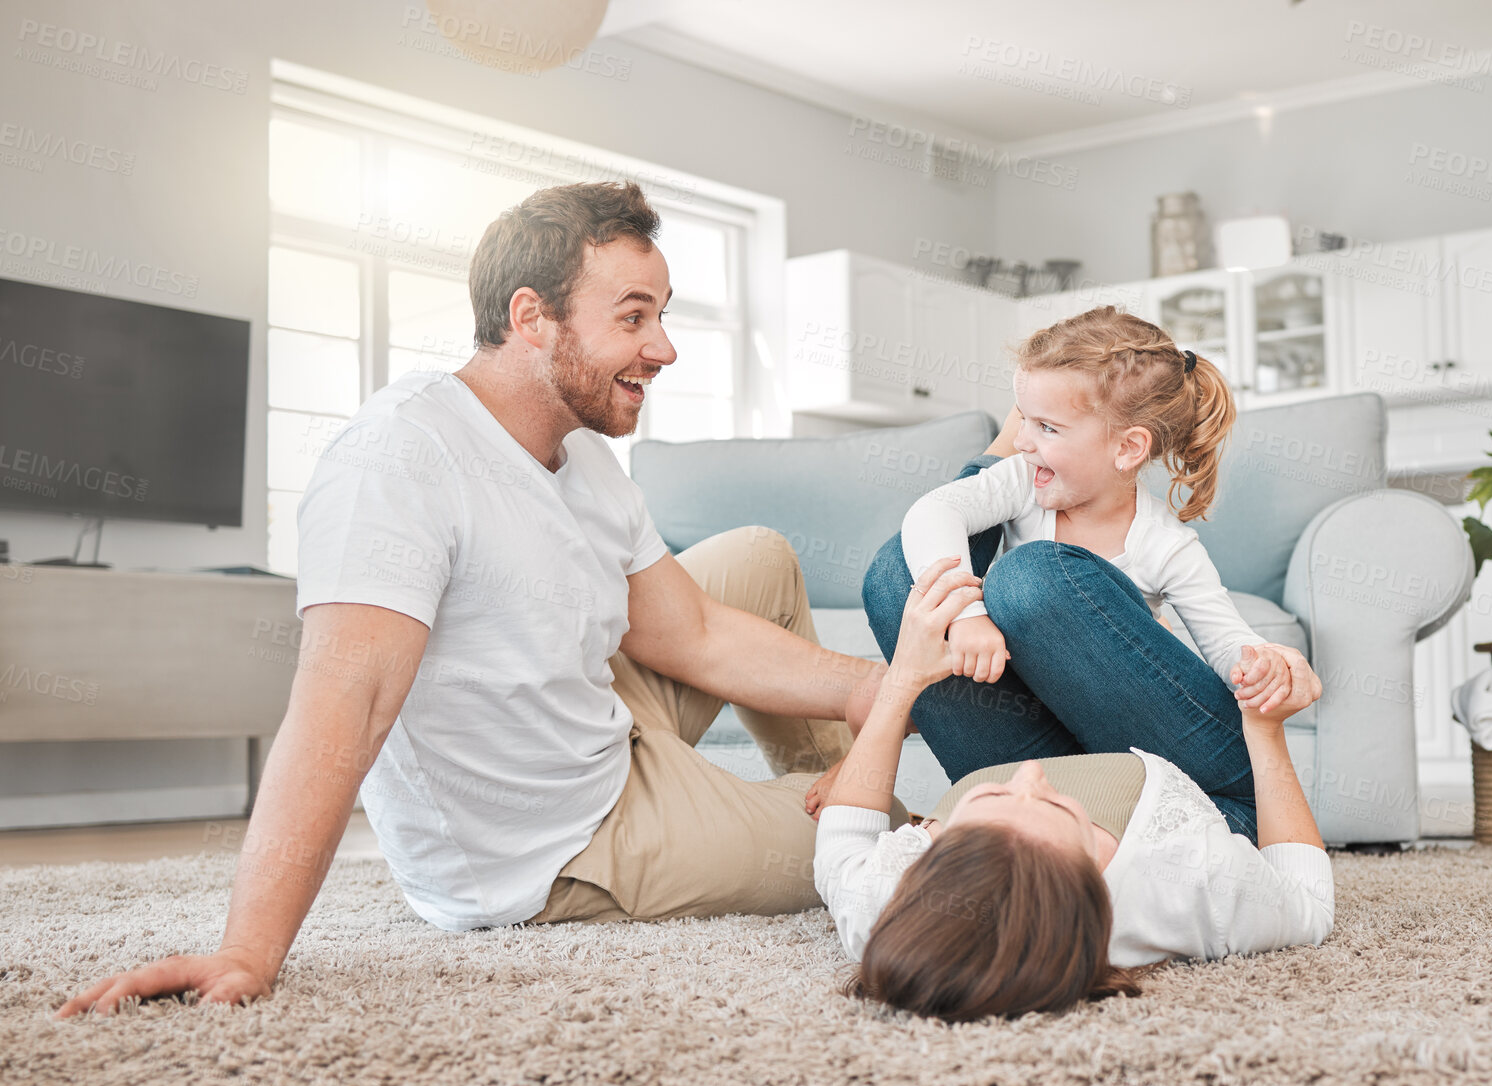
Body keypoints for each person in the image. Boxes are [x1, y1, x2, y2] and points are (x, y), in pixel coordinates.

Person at [58, 181, 897, 1017]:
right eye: (634, 317)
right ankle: (856, 806)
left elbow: (697, 631)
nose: (665, 349)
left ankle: (837, 771)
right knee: (889, 832)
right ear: (532, 318)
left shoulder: (583, 448)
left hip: (602, 719)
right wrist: (247, 950)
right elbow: (344, 709)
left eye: (663, 315)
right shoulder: (397, 459)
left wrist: (873, 694)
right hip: (563, 843)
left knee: (758, 556)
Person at [807, 306, 1318, 847]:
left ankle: (1177, 819)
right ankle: (1042, 822)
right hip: (1059, 778)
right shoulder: (1024, 481)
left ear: (1128, 448)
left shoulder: (1166, 544)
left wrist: (1258, 666)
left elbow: (1225, 640)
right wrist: (968, 615)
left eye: (1046, 427)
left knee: (1028, 578)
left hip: (1187, 786)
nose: (1023, 441)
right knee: (907, 580)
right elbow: (933, 514)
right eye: (1022, 420)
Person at [814, 559, 1333, 1023]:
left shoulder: (888, 908)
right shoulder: (1188, 883)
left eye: (992, 800)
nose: (1030, 777)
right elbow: (1310, 904)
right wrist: (1266, 728)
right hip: (1201, 783)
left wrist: (903, 679)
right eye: (1058, 807)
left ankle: (1005, 464)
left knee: (900, 580)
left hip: (1022, 745)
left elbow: (844, 838)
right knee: (1034, 580)